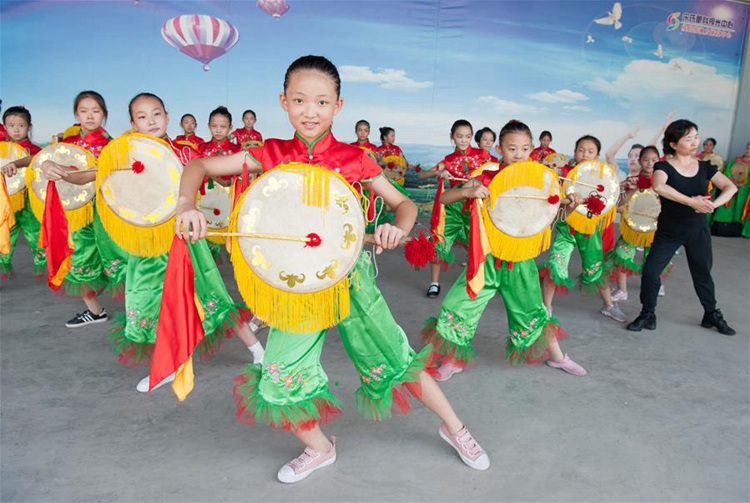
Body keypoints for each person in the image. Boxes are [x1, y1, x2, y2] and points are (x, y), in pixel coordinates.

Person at [175, 55, 490, 483]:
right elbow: (197, 166)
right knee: (279, 376)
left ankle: (456, 428)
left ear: (338, 106)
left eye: (322, 102)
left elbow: (403, 205)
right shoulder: (270, 154)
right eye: (300, 100)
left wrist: (396, 229)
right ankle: (320, 448)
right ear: (283, 101)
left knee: (397, 358)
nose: (310, 111)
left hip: (350, 279)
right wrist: (187, 203)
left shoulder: (354, 159)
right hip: (294, 285)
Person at [98, 92, 264, 391]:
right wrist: (65, 175)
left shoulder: (186, 154)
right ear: (132, 122)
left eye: (156, 114)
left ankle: (258, 351)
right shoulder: (124, 153)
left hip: (184, 238)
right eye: (142, 116)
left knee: (211, 296)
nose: (151, 121)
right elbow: (100, 175)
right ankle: (166, 367)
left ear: (167, 116)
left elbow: (216, 173)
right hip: (146, 244)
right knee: (146, 302)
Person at [422, 120, 586, 381]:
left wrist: (574, 204)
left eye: (523, 148)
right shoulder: (486, 176)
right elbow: (443, 199)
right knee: (459, 306)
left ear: (532, 148)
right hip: (485, 258)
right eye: (511, 148)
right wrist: (469, 192)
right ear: (499, 148)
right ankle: (454, 360)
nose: (518, 154)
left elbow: (561, 214)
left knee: (533, 311)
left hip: (520, 260)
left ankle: (557, 357)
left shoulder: (542, 181)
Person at [627, 120, 736, 335]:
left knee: (702, 274)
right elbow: (659, 186)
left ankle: (711, 314)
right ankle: (648, 313)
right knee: (651, 272)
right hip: (669, 231)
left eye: (696, 136)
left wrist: (711, 205)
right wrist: (691, 201)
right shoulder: (663, 166)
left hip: (698, 231)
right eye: (688, 138)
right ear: (674, 144)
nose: (695, 142)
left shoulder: (705, 167)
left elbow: (730, 187)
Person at [38, 91, 128, 326]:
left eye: (96, 111)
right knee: (79, 258)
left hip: (105, 211)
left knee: (119, 258)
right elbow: (39, 161)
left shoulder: (113, 147)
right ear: (76, 114)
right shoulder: (64, 144)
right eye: (84, 111)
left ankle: (140, 316)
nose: (90, 116)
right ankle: (95, 311)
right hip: (75, 213)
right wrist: (46, 162)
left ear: (104, 115)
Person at [539, 135, 625, 323]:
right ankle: (546, 307)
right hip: (567, 228)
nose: (585, 154)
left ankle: (609, 305)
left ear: (597, 154)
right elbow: (556, 206)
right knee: (556, 265)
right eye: (581, 150)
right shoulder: (564, 173)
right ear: (575, 151)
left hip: (589, 229)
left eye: (590, 151)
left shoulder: (604, 177)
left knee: (596, 266)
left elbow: (612, 201)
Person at [419, 120, 490, 297]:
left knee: (480, 244)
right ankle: (434, 283)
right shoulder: (448, 160)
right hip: (451, 207)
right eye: (459, 136)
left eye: (468, 136)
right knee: (439, 243)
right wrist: (439, 172)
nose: (464, 140)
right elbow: (422, 175)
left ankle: (479, 282)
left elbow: (497, 170)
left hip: (474, 208)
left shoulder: (484, 157)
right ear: (452, 137)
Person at [609, 146, 671, 301]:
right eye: (645, 159)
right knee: (622, 255)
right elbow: (619, 203)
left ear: (659, 161)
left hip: (655, 228)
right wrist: (629, 191)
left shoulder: (665, 182)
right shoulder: (630, 182)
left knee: (656, 259)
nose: (649, 163)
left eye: (653, 160)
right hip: (631, 226)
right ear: (640, 161)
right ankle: (622, 289)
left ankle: (657, 285)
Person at [0, 106, 45, 278]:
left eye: (21, 125)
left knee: (35, 232)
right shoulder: (2, 148)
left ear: (29, 127)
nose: (16, 129)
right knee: (6, 231)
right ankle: (3, 265)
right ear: (4, 127)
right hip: (7, 200)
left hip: (28, 200)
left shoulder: (34, 151)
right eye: (11, 125)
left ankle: (43, 265)